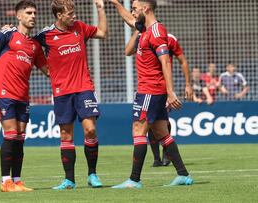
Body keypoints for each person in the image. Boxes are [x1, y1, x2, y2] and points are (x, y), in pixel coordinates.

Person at [109, 0, 193, 188]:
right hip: (153, 90)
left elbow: (166, 62)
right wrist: (115, 4)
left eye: (136, 7)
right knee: (162, 132)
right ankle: (183, 175)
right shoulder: (144, 28)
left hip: (150, 90)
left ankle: (134, 179)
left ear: (146, 8)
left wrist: (171, 92)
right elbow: (129, 20)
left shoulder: (156, 32)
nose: (133, 11)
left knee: (139, 131)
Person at [0, 0, 48, 192]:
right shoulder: (6, 34)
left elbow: (48, 71)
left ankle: (17, 180)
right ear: (18, 16)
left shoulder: (35, 45)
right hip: (4, 92)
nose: (33, 16)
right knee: (11, 134)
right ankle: (5, 181)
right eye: (28, 13)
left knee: (21, 137)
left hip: (23, 95)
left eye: (34, 13)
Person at [33, 0, 107, 190]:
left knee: (90, 129)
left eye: (74, 13)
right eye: (70, 14)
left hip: (84, 87)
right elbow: (28, 47)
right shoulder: (45, 35)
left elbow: (102, 33)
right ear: (59, 15)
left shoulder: (80, 28)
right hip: (61, 92)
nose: (73, 16)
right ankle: (69, 180)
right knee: (66, 135)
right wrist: (44, 69)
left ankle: (92, 174)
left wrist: (100, 9)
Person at [125, 28, 193, 167]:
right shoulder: (141, 36)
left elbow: (182, 61)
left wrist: (187, 84)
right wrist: (136, 32)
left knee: (160, 124)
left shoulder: (169, 39)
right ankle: (159, 159)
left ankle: (164, 157)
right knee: (154, 125)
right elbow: (127, 52)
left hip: (159, 88)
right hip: (147, 88)